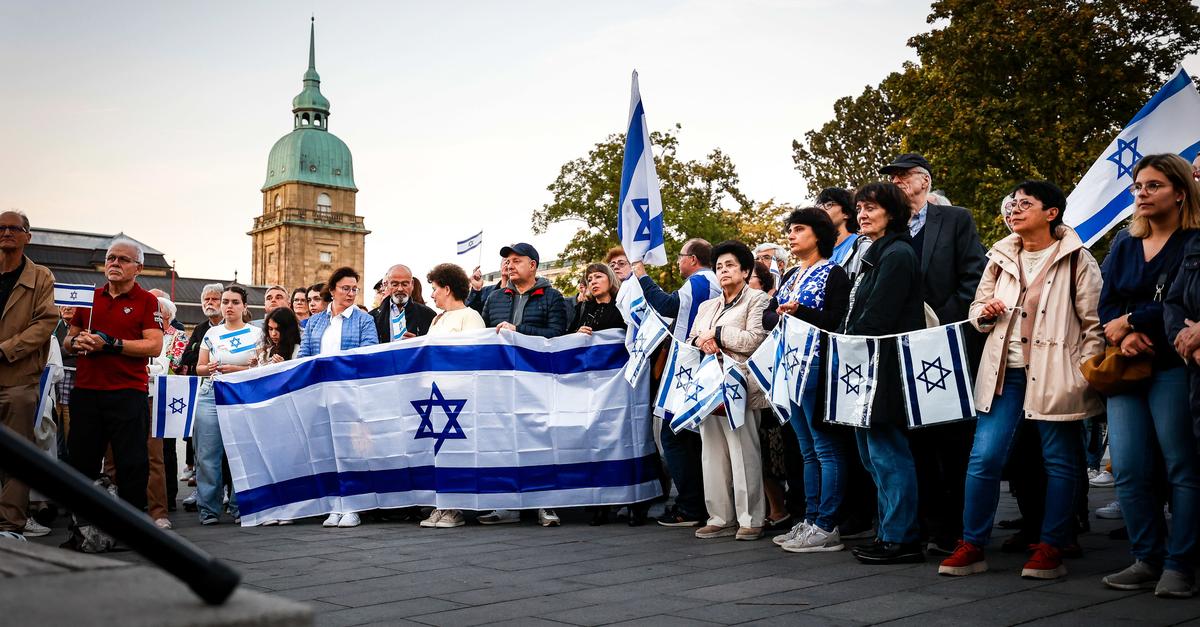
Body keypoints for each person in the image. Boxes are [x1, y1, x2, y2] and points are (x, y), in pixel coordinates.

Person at [937, 180, 1103, 581]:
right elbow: (977, 309)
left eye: (1025, 203)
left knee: (1059, 459)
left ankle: (1053, 545)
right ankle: (972, 544)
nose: (1013, 210)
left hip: (1055, 373)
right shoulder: (999, 256)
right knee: (984, 457)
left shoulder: (1078, 258)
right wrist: (985, 312)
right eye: (1011, 204)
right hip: (1004, 373)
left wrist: (1083, 372)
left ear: (1051, 213)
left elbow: (1093, 326)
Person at [1102, 153, 1200, 598]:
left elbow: (1181, 303)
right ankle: (1147, 558)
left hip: (1173, 367)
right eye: (1138, 186)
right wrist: (1121, 335)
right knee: (1128, 467)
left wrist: (1134, 322)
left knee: (1182, 464)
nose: (1142, 193)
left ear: (1180, 191)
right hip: (1127, 365)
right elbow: (1105, 304)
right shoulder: (1124, 243)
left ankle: (1181, 564)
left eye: (1153, 185)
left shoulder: (1194, 240)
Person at [880, 152, 986, 554]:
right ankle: (925, 524)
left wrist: (938, 321)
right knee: (914, 441)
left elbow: (973, 278)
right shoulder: (889, 229)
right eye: (891, 177)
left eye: (903, 176)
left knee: (952, 442)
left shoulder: (954, 219)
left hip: (945, 343)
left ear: (924, 181)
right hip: (898, 348)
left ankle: (956, 529)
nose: (897, 183)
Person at [839, 182, 927, 565]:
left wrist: (841, 345)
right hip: (866, 366)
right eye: (859, 208)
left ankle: (902, 538)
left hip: (884, 367)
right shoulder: (876, 253)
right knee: (872, 454)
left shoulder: (898, 254)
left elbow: (878, 316)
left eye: (871, 208)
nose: (862, 214)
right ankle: (888, 530)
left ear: (891, 213)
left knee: (888, 453)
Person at [770, 208, 852, 554]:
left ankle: (828, 523)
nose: (791, 235)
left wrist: (798, 311)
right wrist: (777, 311)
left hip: (818, 366)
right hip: (788, 367)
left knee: (825, 446)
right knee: (806, 448)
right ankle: (810, 517)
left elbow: (838, 319)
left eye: (799, 229)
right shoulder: (789, 275)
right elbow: (767, 314)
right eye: (790, 229)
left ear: (819, 234)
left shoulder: (834, 274)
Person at [63, 239, 164, 517]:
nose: (114, 263)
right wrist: (78, 341)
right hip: (87, 390)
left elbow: (154, 346)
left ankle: (133, 526)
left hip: (127, 392)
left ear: (138, 267)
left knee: (131, 462)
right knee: (81, 461)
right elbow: (67, 341)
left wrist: (109, 344)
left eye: (122, 259)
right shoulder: (89, 297)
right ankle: (81, 525)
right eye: (110, 258)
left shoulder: (147, 301)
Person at [633, 238, 721, 527]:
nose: (678, 261)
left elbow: (668, 305)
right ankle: (697, 502)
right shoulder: (706, 281)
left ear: (693, 259)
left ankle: (691, 505)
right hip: (692, 362)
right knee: (687, 437)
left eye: (681, 256)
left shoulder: (700, 281)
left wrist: (642, 276)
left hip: (689, 365)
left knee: (675, 434)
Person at [686, 240, 771, 540]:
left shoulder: (758, 300)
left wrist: (718, 334)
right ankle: (720, 516)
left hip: (741, 386)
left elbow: (755, 339)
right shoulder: (708, 304)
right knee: (712, 453)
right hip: (709, 387)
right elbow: (694, 335)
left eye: (730, 265)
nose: (723, 271)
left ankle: (751, 518)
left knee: (743, 451)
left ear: (746, 270)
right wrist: (704, 340)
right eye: (719, 266)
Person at [479, 243, 568, 527]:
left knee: (539, 441)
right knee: (501, 441)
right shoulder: (494, 298)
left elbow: (556, 334)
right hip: (502, 383)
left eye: (517, 260)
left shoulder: (552, 297)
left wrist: (519, 331)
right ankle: (502, 502)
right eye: (507, 261)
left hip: (537, 381)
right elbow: (483, 335)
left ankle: (544, 503)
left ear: (533, 265)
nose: (510, 265)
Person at [299, 267, 379, 528]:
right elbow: (305, 358)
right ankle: (335, 504)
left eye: (355, 288)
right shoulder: (314, 322)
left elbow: (368, 352)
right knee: (327, 451)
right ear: (332, 290)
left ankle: (354, 506)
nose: (351, 293)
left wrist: (335, 365)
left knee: (353, 451)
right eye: (345, 288)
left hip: (350, 394)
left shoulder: (364, 320)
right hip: (321, 395)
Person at [0, 211, 59, 541]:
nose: (7, 232)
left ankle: (10, 525)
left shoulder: (40, 277)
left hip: (18, 378)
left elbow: (45, 324)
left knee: (17, 454)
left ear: (27, 236)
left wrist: (6, 349)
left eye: (14, 228)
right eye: (2, 227)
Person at [192, 285, 261, 525]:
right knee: (207, 454)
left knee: (243, 452)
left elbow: (260, 368)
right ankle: (208, 509)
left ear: (244, 306)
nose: (228, 306)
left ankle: (239, 505)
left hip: (243, 392)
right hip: (212, 392)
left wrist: (237, 369)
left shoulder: (255, 334)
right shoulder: (211, 334)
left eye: (234, 302)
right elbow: (199, 367)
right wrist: (207, 368)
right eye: (225, 302)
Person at [143, 295, 188, 529]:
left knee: (163, 451)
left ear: (167, 315)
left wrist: (147, 368)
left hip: (167, 395)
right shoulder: (143, 332)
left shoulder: (178, 336)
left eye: (158, 312)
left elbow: (172, 363)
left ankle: (166, 500)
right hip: (143, 392)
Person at [372, 264, 436, 342]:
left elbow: (432, 348)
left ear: (412, 284)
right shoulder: (372, 317)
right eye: (394, 284)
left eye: (405, 284)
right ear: (387, 285)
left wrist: (418, 343)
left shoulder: (427, 314)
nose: (400, 289)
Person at [817, 187, 867, 272]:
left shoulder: (861, 245)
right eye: (820, 206)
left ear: (847, 213)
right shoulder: (819, 251)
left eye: (829, 204)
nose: (822, 209)